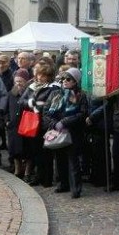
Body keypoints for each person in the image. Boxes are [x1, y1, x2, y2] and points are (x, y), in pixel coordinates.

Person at [44, 68, 89, 198]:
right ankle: (62, 184)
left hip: (73, 131)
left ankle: (76, 188)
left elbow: (82, 113)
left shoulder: (81, 95)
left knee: (73, 161)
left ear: (75, 81)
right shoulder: (55, 94)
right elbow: (46, 112)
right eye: (63, 79)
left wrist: (65, 122)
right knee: (59, 160)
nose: (64, 81)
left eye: (68, 79)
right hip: (57, 131)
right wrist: (54, 124)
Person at [6, 69, 31, 177]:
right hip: (14, 126)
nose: (18, 84)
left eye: (21, 81)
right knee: (14, 150)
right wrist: (7, 121)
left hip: (27, 126)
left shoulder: (30, 93)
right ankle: (17, 169)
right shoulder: (11, 94)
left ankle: (27, 171)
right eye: (16, 81)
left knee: (28, 150)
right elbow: (5, 109)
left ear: (26, 82)